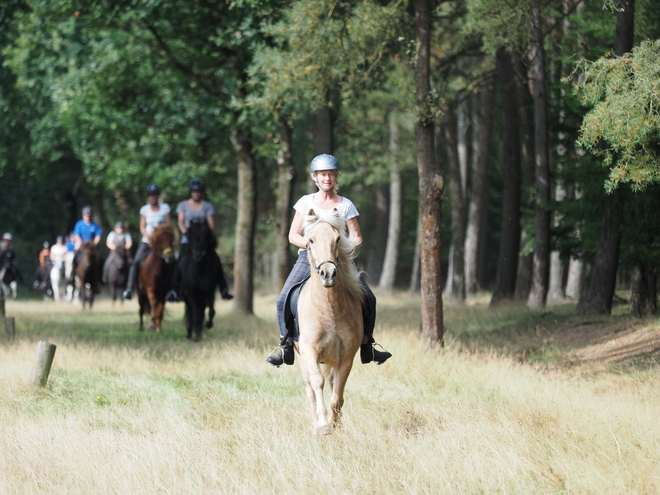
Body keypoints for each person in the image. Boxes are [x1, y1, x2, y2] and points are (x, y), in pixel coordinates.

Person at [267, 154, 391, 367]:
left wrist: (338, 249)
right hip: (309, 258)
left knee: (369, 298)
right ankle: (285, 344)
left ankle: (367, 344)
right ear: (315, 177)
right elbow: (293, 235)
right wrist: (314, 246)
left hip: (338, 260)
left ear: (336, 177)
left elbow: (357, 237)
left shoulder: (346, 205)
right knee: (282, 300)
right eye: (323, 174)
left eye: (331, 174)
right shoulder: (305, 203)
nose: (327, 178)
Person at [165, 179, 233, 302]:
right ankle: (174, 290)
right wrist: (186, 233)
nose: (196, 194)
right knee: (180, 263)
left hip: (203, 242)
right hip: (188, 241)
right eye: (194, 192)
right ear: (191, 192)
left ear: (201, 193)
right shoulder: (183, 206)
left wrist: (206, 236)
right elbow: (181, 222)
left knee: (216, 262)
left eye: (198, 192)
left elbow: (211, 224)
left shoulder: (207, 206)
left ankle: (224, 289)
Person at [122, 184, 171, 300]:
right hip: (147, 241)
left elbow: (168, 225)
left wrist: (161, 237)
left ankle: (173, 289)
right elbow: (142, 227)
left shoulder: (165, 208)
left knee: (172, 261)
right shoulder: (144, 210)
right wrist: (150, 237)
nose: (153, 198)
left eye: (155, 195)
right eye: (151, 196)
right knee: (136, 262)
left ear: (158, 196)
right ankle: (129, 288)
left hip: (162, 242)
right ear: (148, 197)